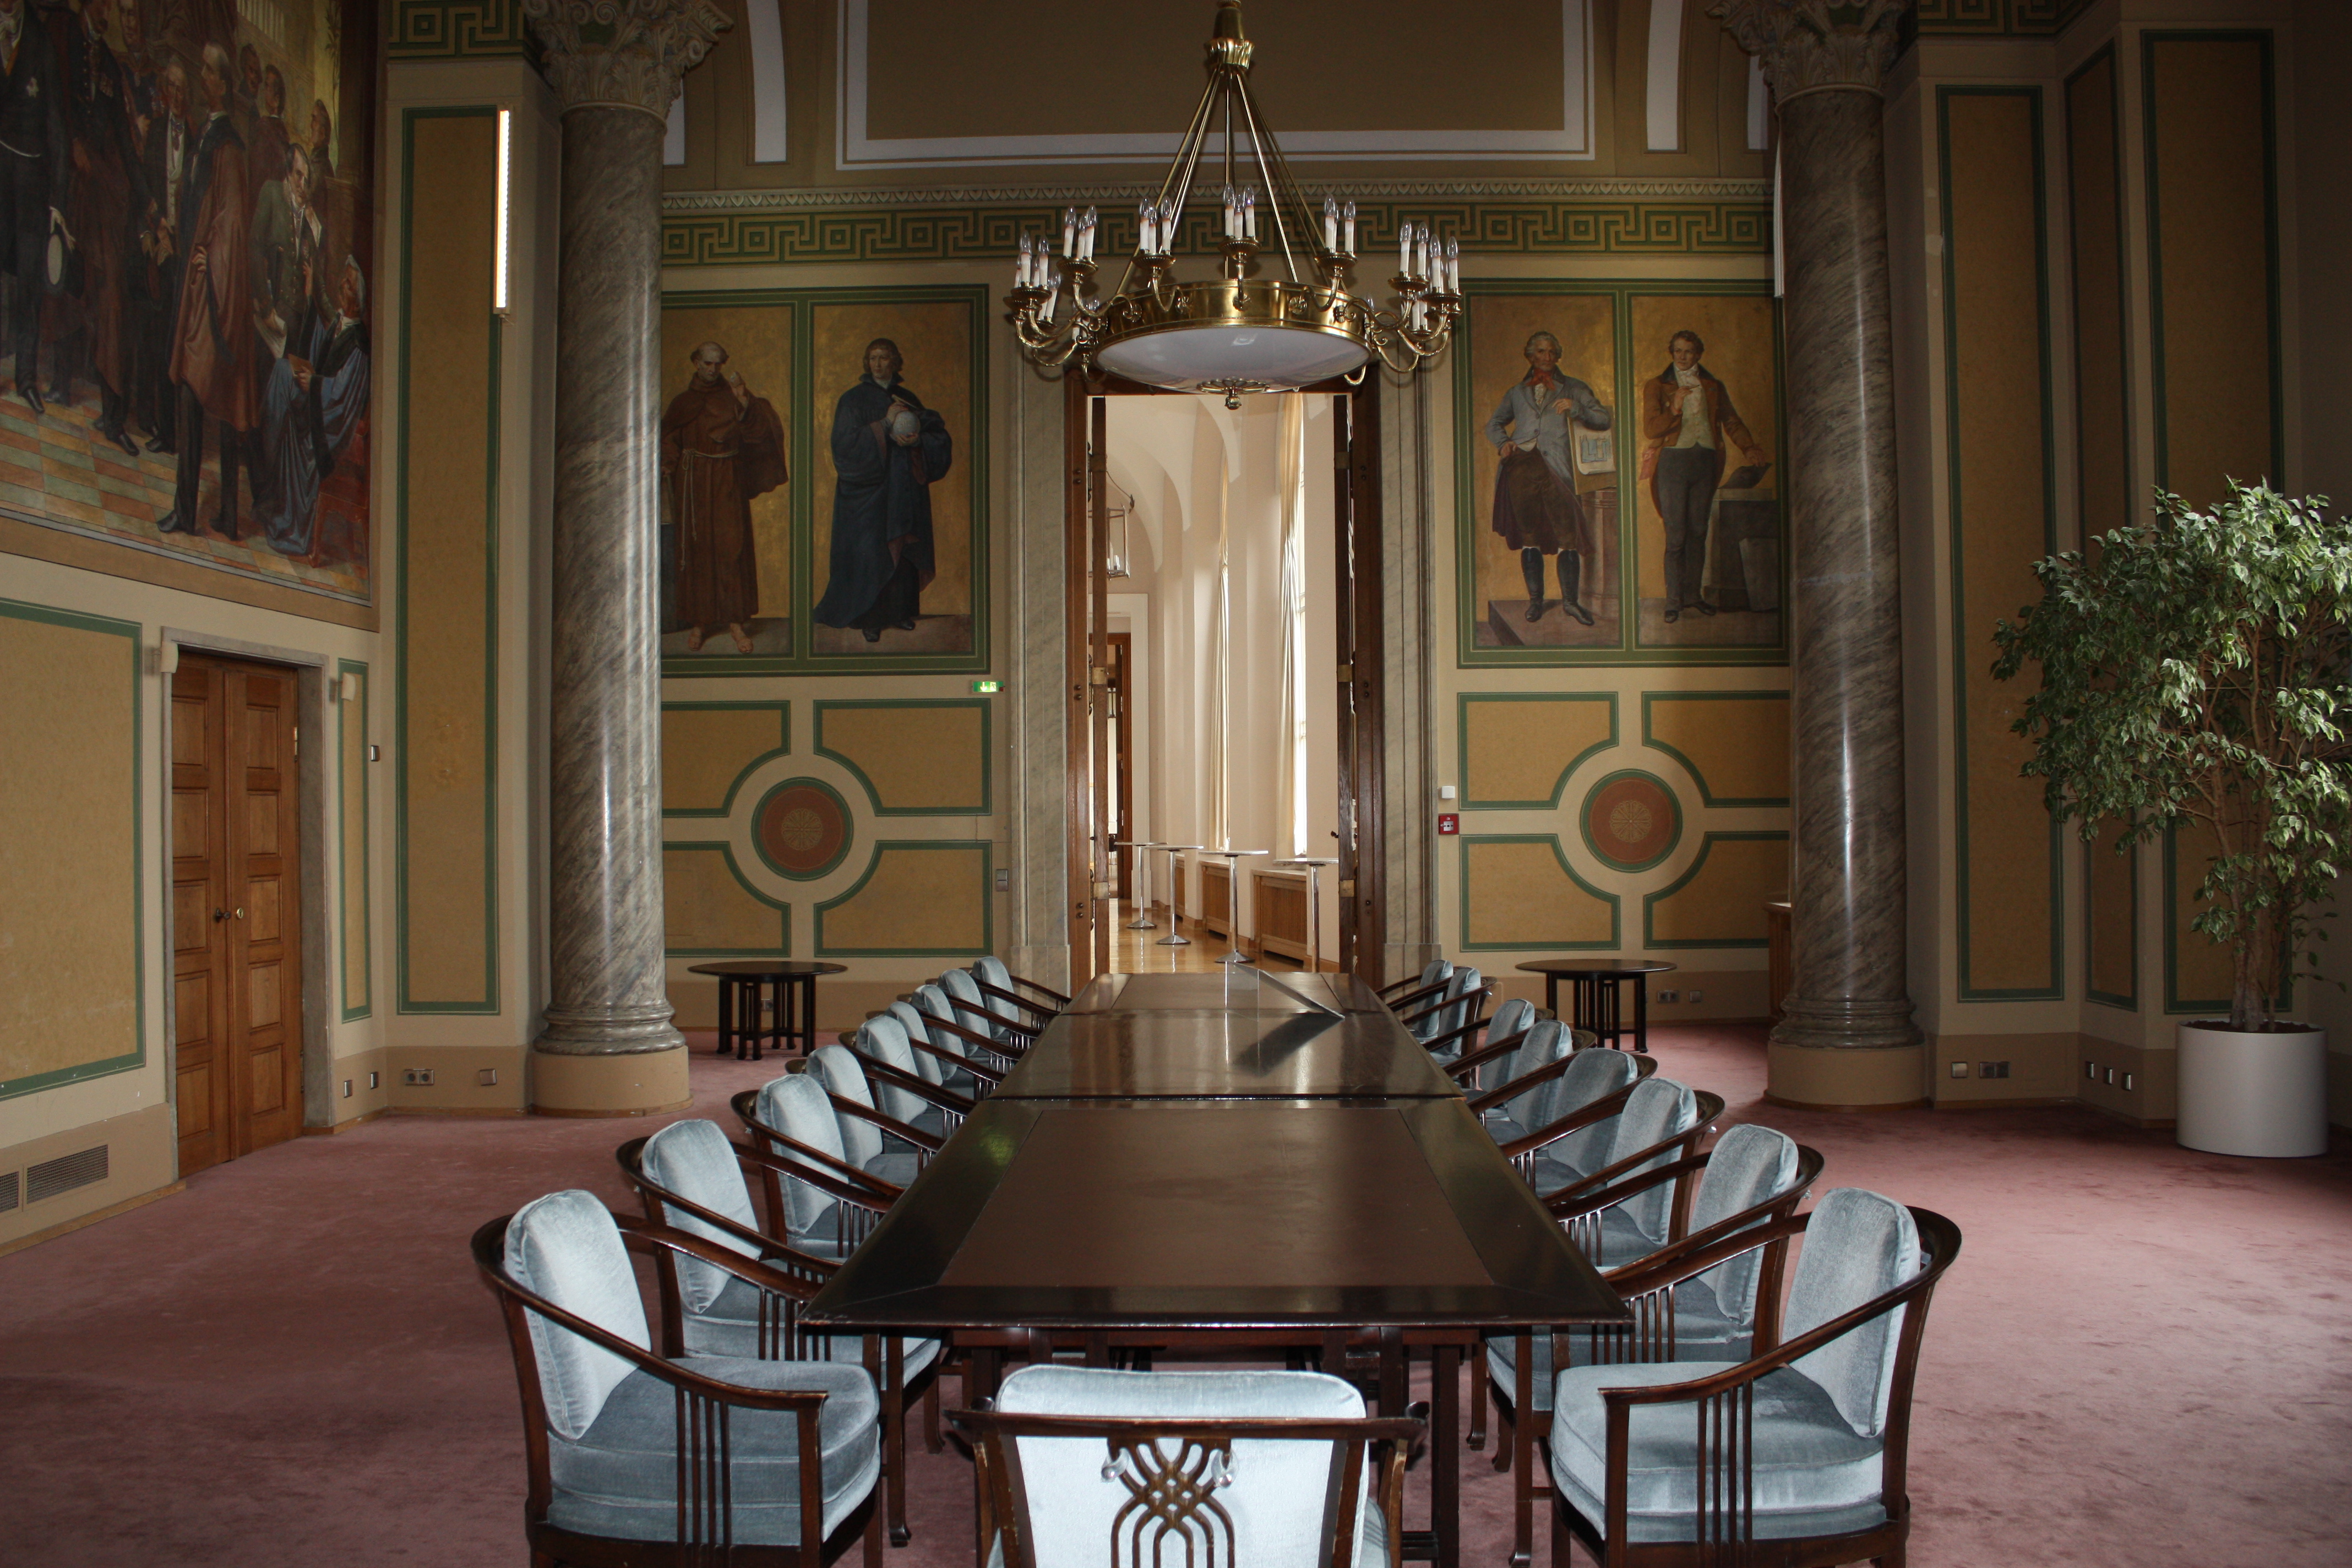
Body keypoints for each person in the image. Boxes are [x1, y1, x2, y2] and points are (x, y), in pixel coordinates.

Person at [159, 43, 251, 538]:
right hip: (202, 284)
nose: (202, 76)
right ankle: (214, 514)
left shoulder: (228, 145)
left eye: (210, 71)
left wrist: (207, 257)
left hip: (213, 290)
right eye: (203, 69)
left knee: (198, 395)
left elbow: (232, 222)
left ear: (224, 83)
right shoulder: (207, 136)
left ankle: (197, 512)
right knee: (203, 395)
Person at [814, 337, 950, 644]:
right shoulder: (853, 400)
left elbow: (936, 436)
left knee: (902, 550)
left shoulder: (907, 398)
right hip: (869, 494)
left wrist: (917, 441)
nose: (878, 364)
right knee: (872, 552)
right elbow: (844, 446)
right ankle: (871, 619)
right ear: (867, 363)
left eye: (884, 358)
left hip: (903, 490)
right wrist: (884, 425)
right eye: (873, 358)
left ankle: (900, 612)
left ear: (894, 362)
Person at [660, 340, 785, 653]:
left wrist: (745, 404)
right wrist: (667, 464)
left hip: (728, 479)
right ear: (696, 363)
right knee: (698, 550)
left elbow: (759, 432)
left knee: (732, 548)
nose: (713, 369)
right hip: (694, 483)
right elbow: (669, 439)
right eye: (707, 363)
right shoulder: (683, 402)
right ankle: (699, 623)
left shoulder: (733, 397)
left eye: (718, 364)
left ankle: (735, 622)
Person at [1638, 329, 1768, 623]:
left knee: (1698, 532)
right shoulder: (1657, 385)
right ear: (1672, 353)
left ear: (1698, 354)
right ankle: (1674, 602)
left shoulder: (1712, 385)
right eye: (1678, 351)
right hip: (1673, 464)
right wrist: (1675, 408)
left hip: (1705, 462)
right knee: (1676, 536)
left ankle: (1693, 596)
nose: (1683, 357)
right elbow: (1651, 429)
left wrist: (1749, 447)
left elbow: (1731, 421)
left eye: (1688, 351)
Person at [51, 0, 135, 450]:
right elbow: (56, 104)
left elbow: (122, 135)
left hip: (100, 189)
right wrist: (73, 144)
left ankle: (111, 412)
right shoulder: (63, 37)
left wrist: (146, 200)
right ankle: (60, 382)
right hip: (66, 180)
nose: (107, 12)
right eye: (102, 3)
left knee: (105, 293)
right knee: (66, 277)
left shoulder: (112, 67)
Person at [1484, 329, 1610, 625]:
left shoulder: (1574, 388)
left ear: (1558, 356)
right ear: (1531, 356)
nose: (1547, 357)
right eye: (1541, 351)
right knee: (1529, 537)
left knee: (1568, 537)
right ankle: (1535, 603)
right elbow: (1494, 425)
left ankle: (1570, 603)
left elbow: (1603, 418)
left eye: (1552, 352)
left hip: (1558, 471)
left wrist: (1577, 408)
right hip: (1521, 469)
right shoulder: (1517, 392)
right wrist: (1504, 443)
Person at [252, 253, 364, 559]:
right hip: (318, 407)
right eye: (344, 279)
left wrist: (314, 383)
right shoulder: (340, 323)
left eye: (349, 284)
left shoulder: (359, 345)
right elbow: (319, 350)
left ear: (359, 298)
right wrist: (310, 294)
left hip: (328, 428)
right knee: (281, 370)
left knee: (283, 382)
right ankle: (270, 475)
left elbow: (343, 397)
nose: (342, 285)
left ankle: (288, 519)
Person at [0, 0, 67, 416]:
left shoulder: (41, 42)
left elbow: (57, 123)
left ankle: (25, 377)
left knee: (28, 281)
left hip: (31, 181)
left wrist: (58, 199)